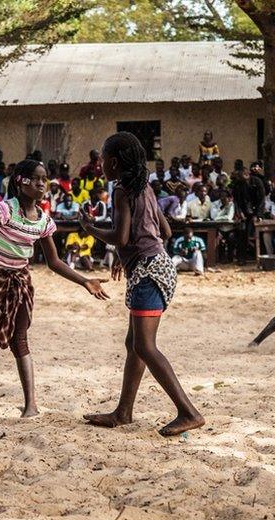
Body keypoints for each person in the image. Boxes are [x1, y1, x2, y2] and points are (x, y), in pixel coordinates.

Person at [0, 160, 108, 417]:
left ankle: (31, 405)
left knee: (21, 340)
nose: (42, 184)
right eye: (36, 179)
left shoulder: (43, 221)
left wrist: (84, 281)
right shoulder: (4, 211)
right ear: (21, 181)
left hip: (20, 281)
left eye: (45, 179)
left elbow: (54, 262)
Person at [78, 131, 205, 436]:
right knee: (133, 344)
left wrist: (89, 227)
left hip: (148, 272)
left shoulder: (122, 189)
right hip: (158, 266)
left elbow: (121, 237)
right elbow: (164, 231)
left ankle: (188, 412)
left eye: (104, 160)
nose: (101, 166)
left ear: (113, 162)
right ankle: (123, 412)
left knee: (145, 346)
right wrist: (127, 254)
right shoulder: (144, 187)